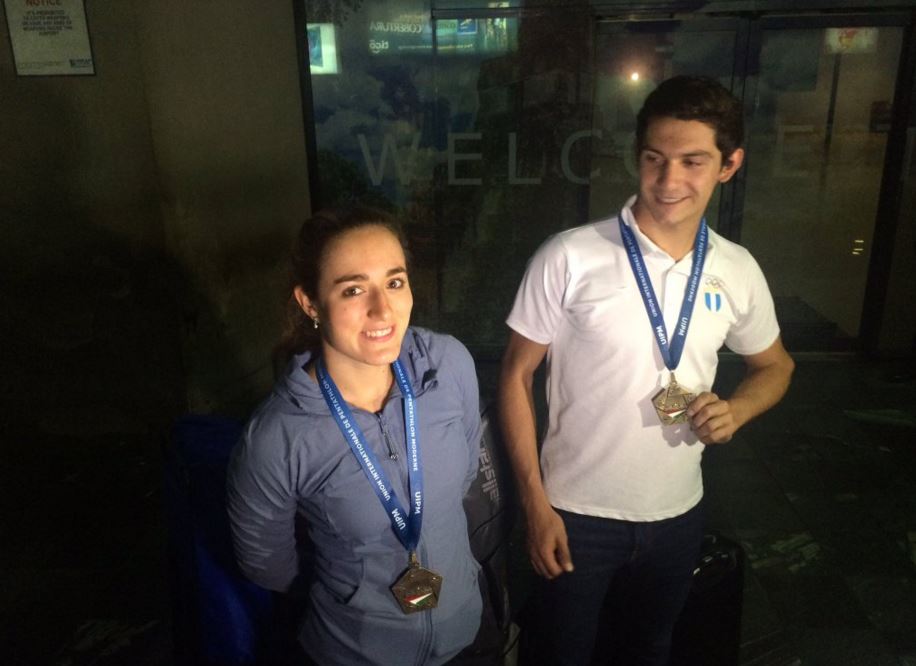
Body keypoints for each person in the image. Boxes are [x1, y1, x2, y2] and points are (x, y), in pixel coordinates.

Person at [498, 75, 795, 665]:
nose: (669, 181)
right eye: (655, 159)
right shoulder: (570, 255)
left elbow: (776, 366)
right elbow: (514, 375)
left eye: (693, 161)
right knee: (560, 653)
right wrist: (533, 504)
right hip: (574, 513)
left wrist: (737, 408)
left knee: (649, 651)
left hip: (678, 513)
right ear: (637, 156)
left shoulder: (736, 270)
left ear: (729, 165)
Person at [226, 206, 484, 666]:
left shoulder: (447, 366)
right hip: (355, 651)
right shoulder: (276, 437)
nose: (382, 309)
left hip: (465, 636)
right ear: (310, 304)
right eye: (353, 289)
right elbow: (268, 566)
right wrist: (351, 589)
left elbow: (464, 475)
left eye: (394, 281)